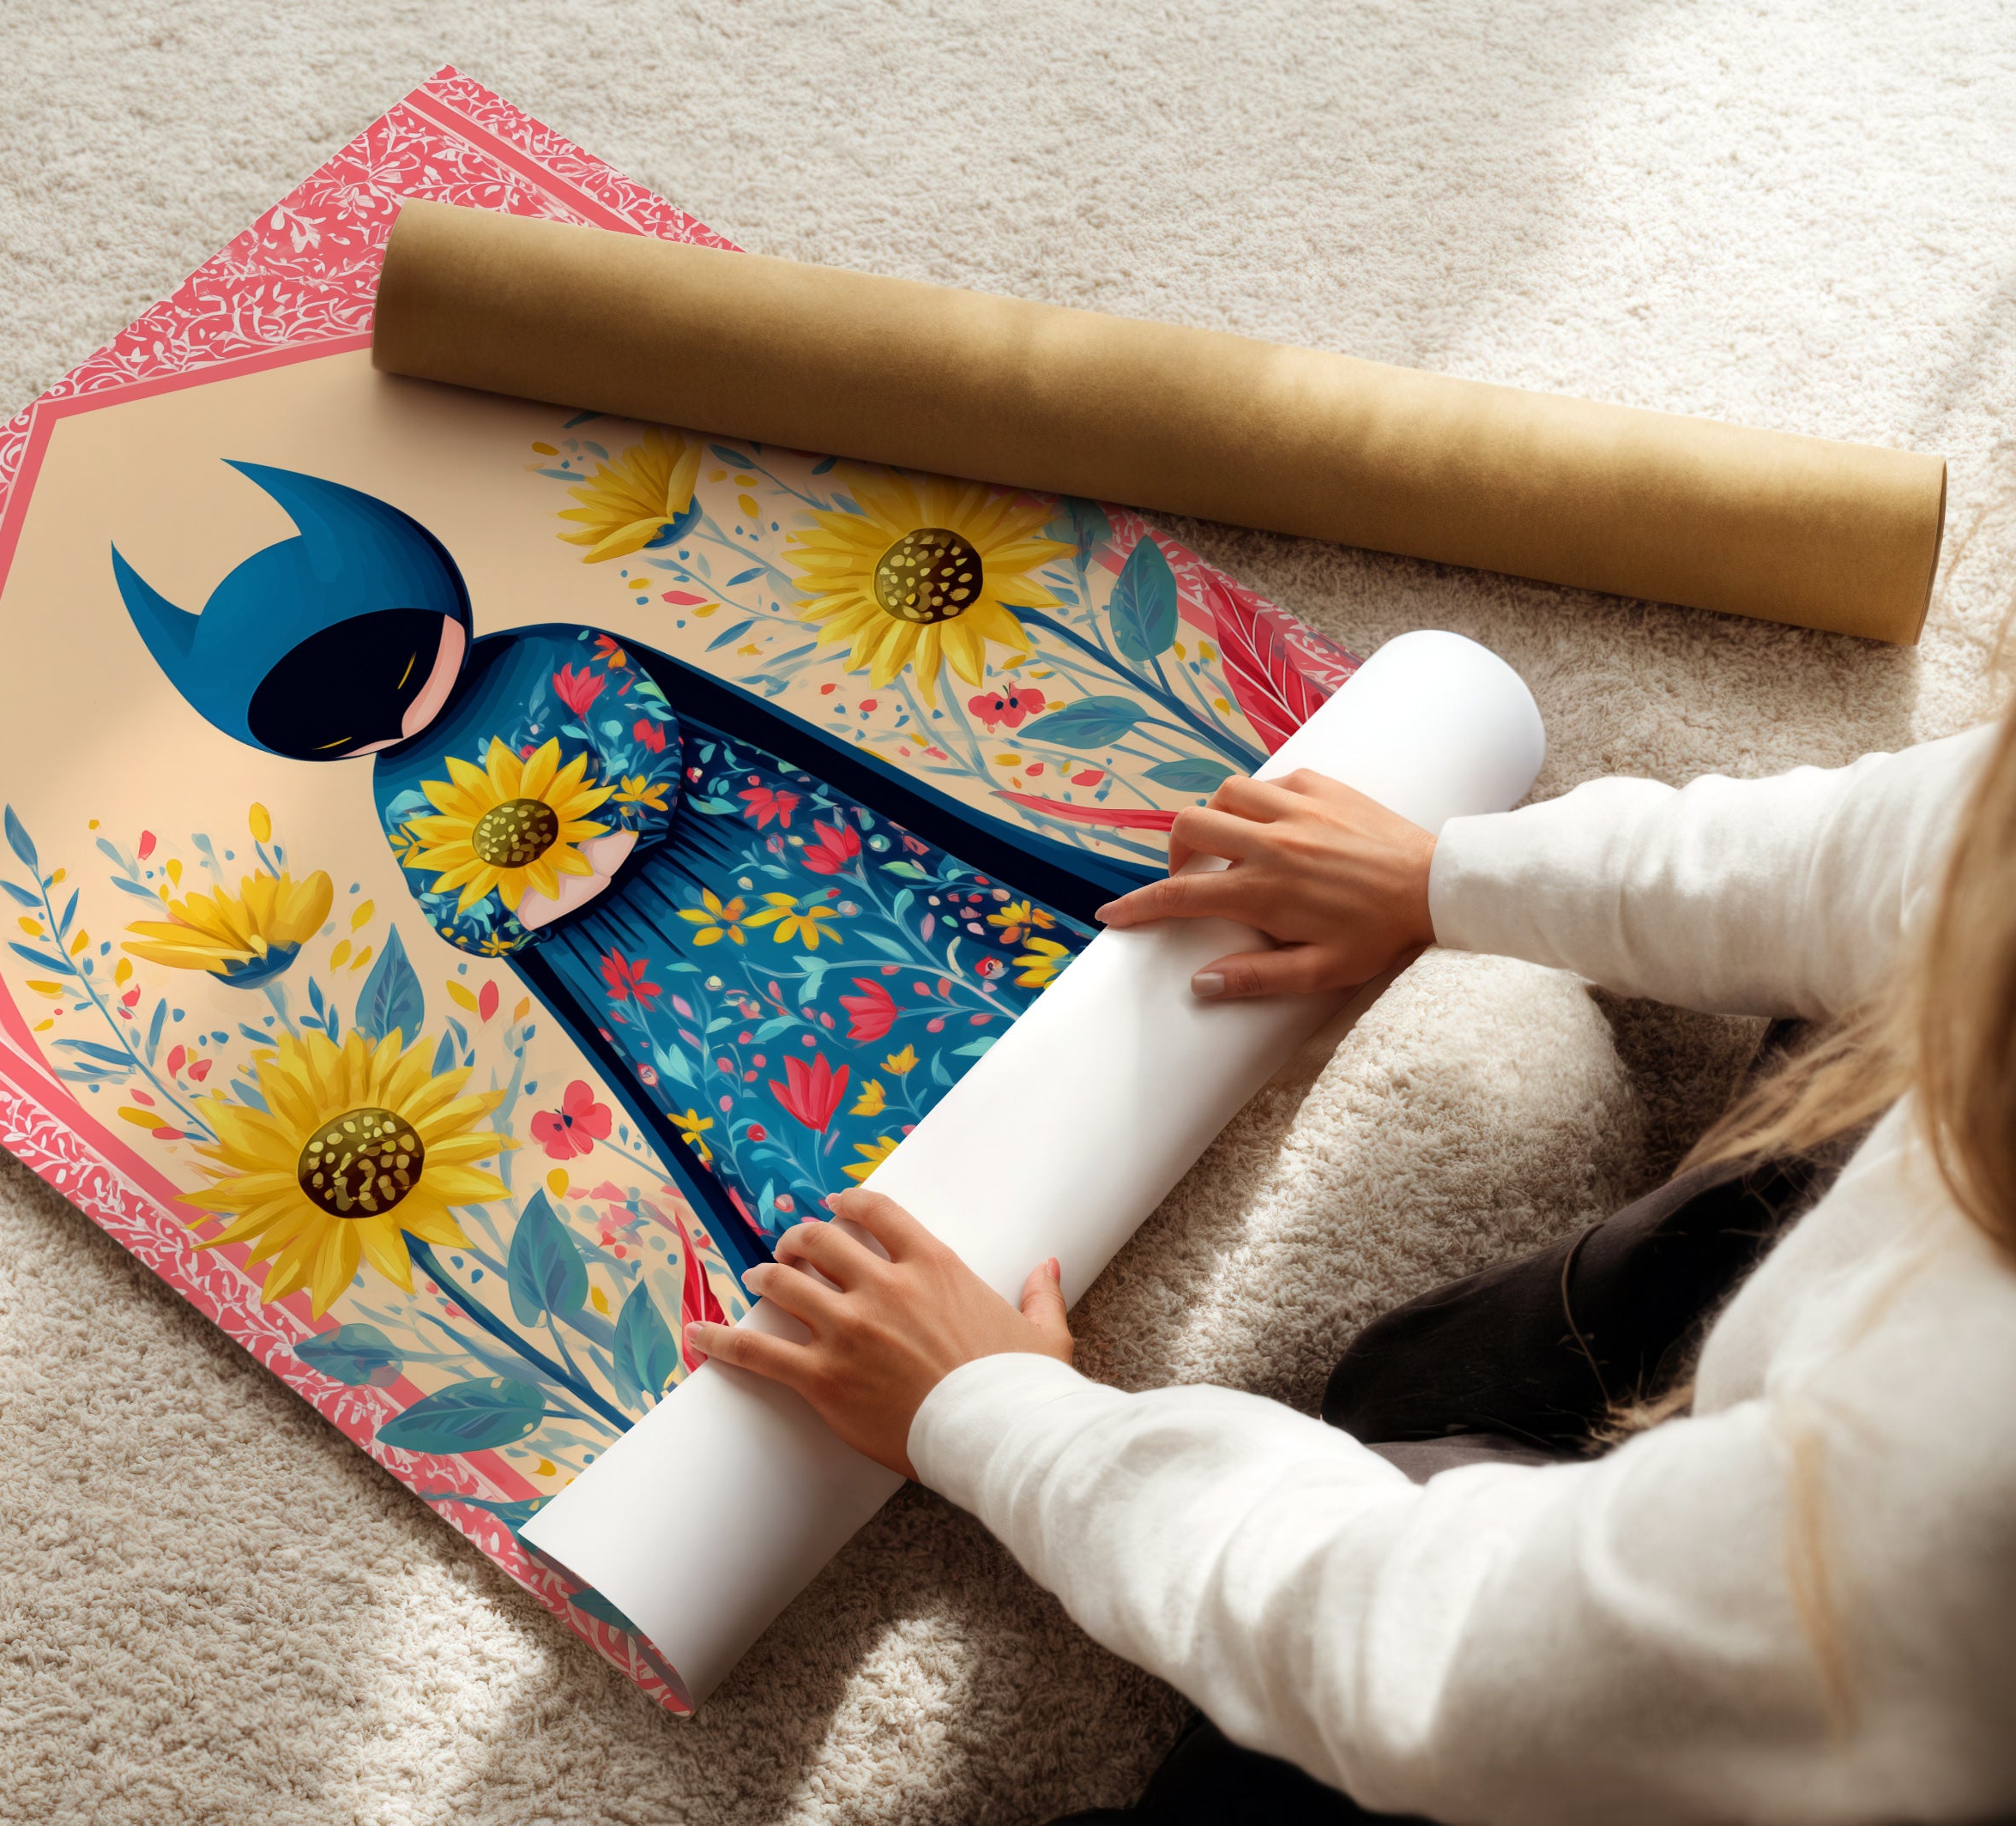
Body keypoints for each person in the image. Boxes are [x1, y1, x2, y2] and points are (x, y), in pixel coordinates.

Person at [683, 715, 2016, 1823]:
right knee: (1414, 1382)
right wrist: (1445, 874)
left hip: (1824, 1711)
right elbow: (1909, 847)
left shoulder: (1951, 1500)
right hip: (1843, 1424)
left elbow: (1439, 1654)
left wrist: (997, 1415)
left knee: (1280, 1772)